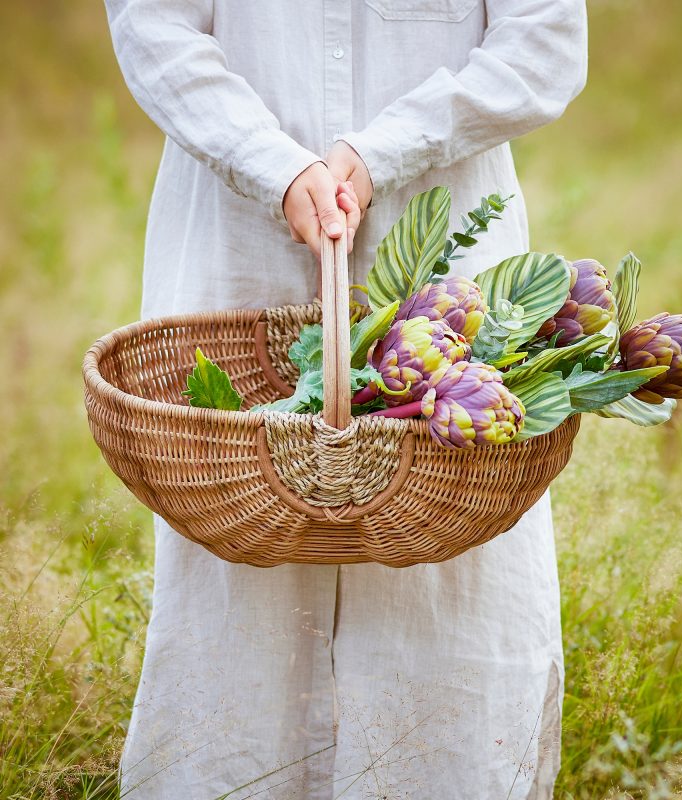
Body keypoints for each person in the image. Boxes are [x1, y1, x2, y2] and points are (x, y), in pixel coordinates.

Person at [103, 1, 588, 797]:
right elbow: (155, 25)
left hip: (444, 230)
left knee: (449, 566)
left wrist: (379, 151)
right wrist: (274, 164)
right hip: (239, 238)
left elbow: (545, 43)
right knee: (242, 554)